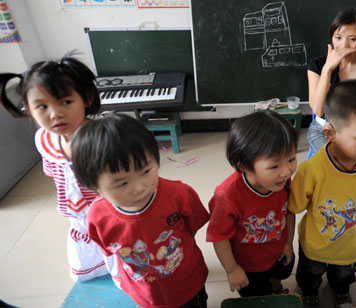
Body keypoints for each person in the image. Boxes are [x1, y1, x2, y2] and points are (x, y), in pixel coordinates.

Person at [0, 55, 118, 283]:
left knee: (116, 250)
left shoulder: (103, 138)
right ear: (28, 109)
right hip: (77, 212)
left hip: (107, 209)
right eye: (42, 106)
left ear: (86, 98)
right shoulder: (43, 139)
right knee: (86, 254)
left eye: (65, 102)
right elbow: (53, 171)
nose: (55, 114)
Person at [71, 114, 209, 308]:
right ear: (95, 186)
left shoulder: (179, 194)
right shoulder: (97, 216)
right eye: (122, 183)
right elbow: (109, 249)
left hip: (187, 283)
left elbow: (193, 227)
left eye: (145, 171)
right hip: (143, 291)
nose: (139, 187)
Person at [289, 80, 356, 308]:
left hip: (355, 244)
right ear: (331, 133)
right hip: (317, 246)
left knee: (344, 277)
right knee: (310, 275)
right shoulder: (311, 171)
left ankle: (341, 291)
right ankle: (309, 291)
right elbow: (294, 207)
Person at [206, 110, 298, 297]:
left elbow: (288, 211)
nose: (287, 171)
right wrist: (232, 269)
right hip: (248, 265)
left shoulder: (281, 182)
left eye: (291, 159)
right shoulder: (227, 196)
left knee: (279, 275)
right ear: (245, 166)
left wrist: (288, 242)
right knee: (257, 295)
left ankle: (276, 289)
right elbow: (219, 236)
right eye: (274, 166)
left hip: (277, 250)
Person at [307, 8, 356, 156]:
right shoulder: (317, 65)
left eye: (353, 39)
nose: (343, 45)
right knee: (337, 162)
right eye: (338, 37)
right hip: (325, 129)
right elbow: (318, 110)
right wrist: (327, 70)